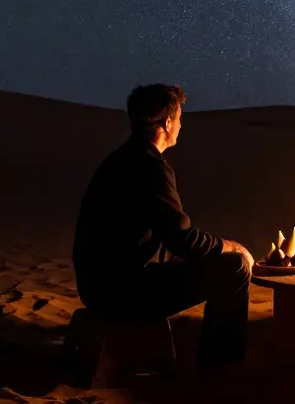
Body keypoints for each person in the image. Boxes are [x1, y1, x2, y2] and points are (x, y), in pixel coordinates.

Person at [72, 84, 253, 369]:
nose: (181, 125)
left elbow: (155, 231)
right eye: (179, 118)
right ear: (167, 123)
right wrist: (230, 246)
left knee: (198, 263)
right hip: (120, 293)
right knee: (234, 267)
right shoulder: (150, 167)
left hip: (96, 286)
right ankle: (221, 366)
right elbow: (182, 238)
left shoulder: (122, 159)